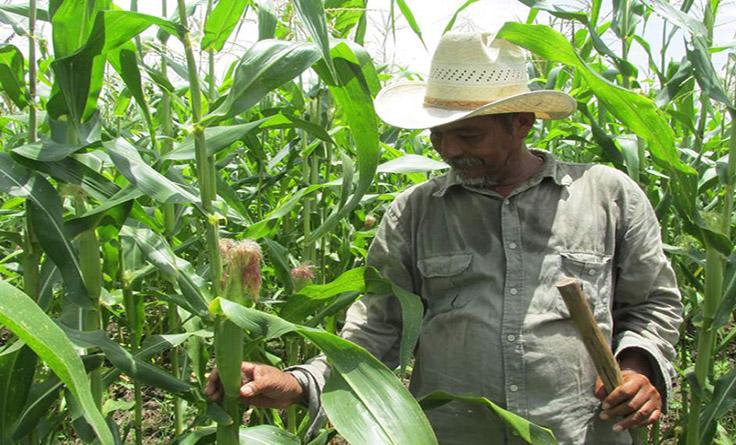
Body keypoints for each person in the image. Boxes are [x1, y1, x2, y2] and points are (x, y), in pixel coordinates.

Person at [206, 31, 683, 444]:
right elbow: (377, 328)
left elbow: (653, 305)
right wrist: (300, 382)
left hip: (580, 431)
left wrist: (638, 368)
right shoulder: (415, 212)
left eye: (469, 136)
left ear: (522, 122)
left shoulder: (605, 195)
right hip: (450, 432)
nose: (449, 150)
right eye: (438, 135)